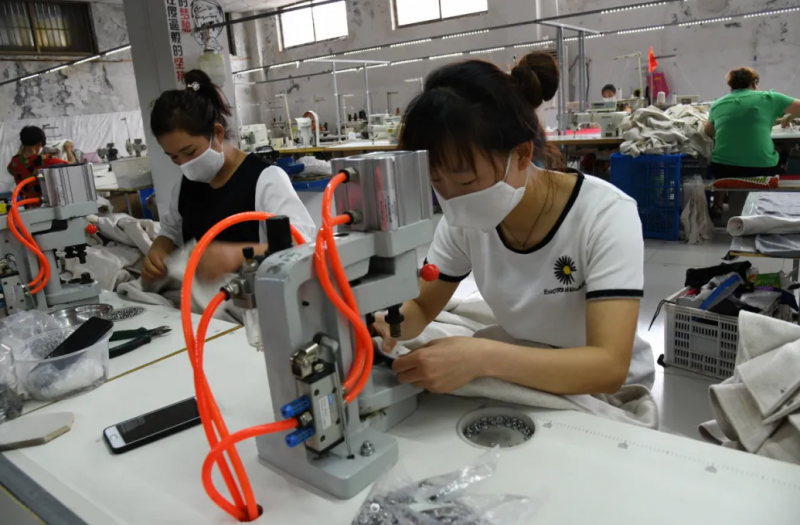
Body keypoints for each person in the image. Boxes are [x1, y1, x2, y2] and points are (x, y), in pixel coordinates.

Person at [372, 52, 654, 396]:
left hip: (601, 389)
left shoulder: (604, 215)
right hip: (523, 367)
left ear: (521, 154)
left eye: (466, 181)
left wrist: (481, 357)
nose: (452, 199)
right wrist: (384, 324)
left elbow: (608, 366)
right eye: (436, 183)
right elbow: (421, 306)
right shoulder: (464, 220)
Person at [143, 70, 316, 283]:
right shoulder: (185, 185)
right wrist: (159, 250)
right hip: (200, 299)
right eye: (173, 157)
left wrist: (236, 255)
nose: (184, 164)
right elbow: (170, 230)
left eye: (189, 152)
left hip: (258, 296)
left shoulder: (265, 179)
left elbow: (302, 245)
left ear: (217, 133)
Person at [705, 67, 800, 215]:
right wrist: (791, 116)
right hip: (760, 169)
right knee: (783, 147)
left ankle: (719, 206)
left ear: (731, 86)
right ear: (754, 82)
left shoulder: (718, 104)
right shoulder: (770, 98)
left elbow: (709, 131)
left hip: (724, 169)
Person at [6, 126, 75, 202]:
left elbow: (12, 170)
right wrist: (68, 150)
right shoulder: (46, 159)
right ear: (40, 143)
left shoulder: (14, 162)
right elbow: (72, 165)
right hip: (45, 205)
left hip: (27, 204)